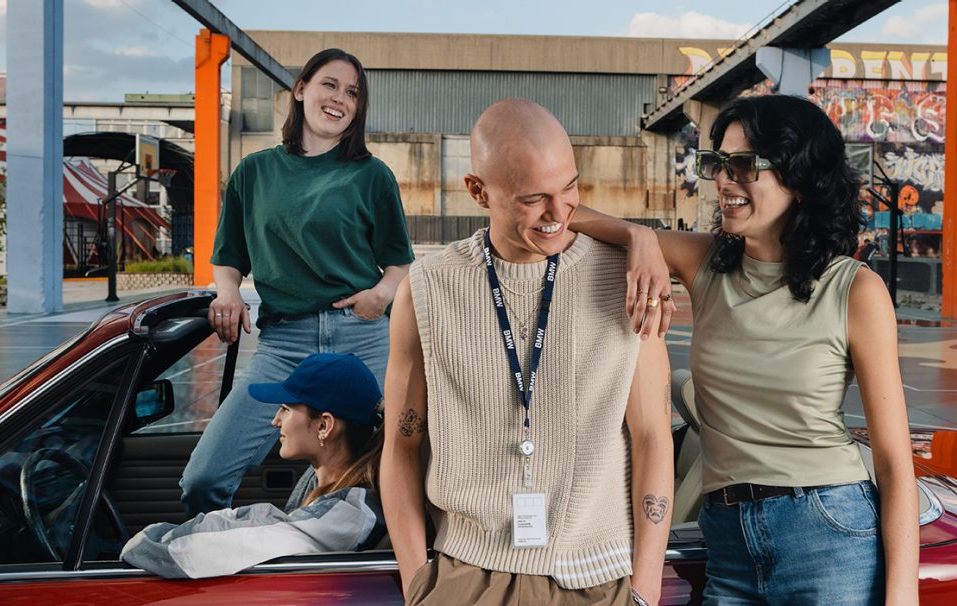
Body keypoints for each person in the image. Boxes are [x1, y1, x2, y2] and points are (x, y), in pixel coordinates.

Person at [569, 94, 920, 605]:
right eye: (718, 164)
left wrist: (902, 595)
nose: (722, 180)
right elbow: (565, 213)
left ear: (799, 180)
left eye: (743, 165)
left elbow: (892, 461)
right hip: (728, 540)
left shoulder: (855, 291)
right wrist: (638, 235)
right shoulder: (707, 264)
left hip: (827, 531)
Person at [380, 99, 674, 606]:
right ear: (478, 191)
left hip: (598, 580)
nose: (559, 215)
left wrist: (645, 588)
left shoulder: (626, 281)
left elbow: (652, 439)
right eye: (533, 198)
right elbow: (401, 446)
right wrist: (418, 584)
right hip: (465, 578)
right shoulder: (428, 288)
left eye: (570, 188)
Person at [182, 48, 414, 517]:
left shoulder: (372, 176)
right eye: (330, 84)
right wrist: (226, 292)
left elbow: (399, 264)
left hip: (362, 339)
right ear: (301, 89)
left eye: (352, 93)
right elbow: (228, 257)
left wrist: (381, 295)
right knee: (203, 479)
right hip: (285, 344)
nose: (340, 99)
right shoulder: (255, 172)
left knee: (401, 470)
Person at [125, 353, 386, 578]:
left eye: (285, 408)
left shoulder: (347, 514)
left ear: (323, 425)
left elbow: (196, 550)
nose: (275, 421)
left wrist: (144, 543)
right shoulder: (322, 479)